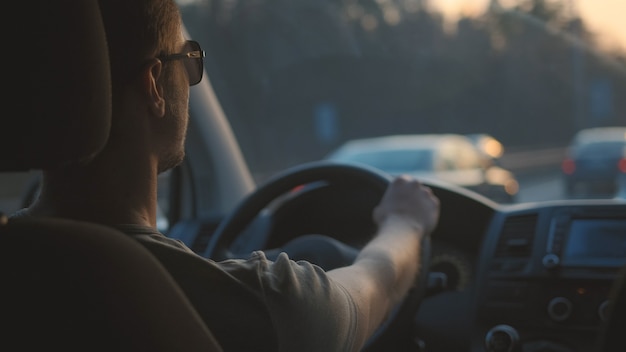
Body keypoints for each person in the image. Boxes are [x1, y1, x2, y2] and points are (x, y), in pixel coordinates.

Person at [15, 0, 440, 350]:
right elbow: (371, 288)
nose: (191, 76)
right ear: (155, 86)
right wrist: (405, 223)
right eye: (189, 58)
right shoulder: (250, 307)